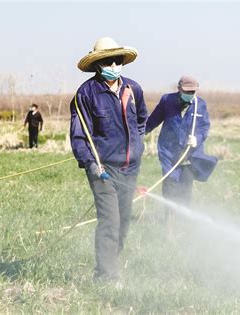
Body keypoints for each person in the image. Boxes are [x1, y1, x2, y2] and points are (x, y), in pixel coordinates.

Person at [70, 37, 147, 280]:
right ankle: (105, 276)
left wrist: (138, 146)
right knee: (110, 221)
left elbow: (142, 121)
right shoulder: (86, 94)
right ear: (97, 64)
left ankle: (114, 261)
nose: (114, 65)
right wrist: (91, 164)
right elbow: (79, 135)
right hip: (102, 169)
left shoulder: (133, 89)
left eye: (118, 60)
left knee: (123, 220)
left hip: (129, 168)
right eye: (108, 61)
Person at [146, 75, 217, 218]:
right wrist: (138, 133)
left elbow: (204, 127)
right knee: (170, 185)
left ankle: (183, 220)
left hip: (190, 155)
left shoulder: (200, 104)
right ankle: (169, 222)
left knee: (185, 188)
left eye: (193, 92)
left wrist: (197, 138)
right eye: (187, 91)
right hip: (169, 153)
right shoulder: (167, 100)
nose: (190, 95)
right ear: (179, 89)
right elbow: (152, 121)